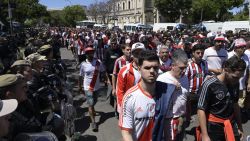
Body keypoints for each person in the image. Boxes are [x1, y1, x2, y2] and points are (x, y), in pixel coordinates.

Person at [197, 56, 245, 141]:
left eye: (239, 78)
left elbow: (235, 104)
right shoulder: (209, 84)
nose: (237, 80)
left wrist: (240, 127)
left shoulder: (235, 83)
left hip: (230, 124)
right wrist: (204, 135)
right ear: (226, 70)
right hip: (213, 127)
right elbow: (201, 109)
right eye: (235, 77)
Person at [119, 50, 159, 141]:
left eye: (155, 68)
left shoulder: (165, 91)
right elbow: (126, 133)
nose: (152, 71)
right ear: (139, 68)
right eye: (147, 68)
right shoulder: (130, 97)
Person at [153, 49, 189, 141]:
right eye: (181, 68)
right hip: (168, 120)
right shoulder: (162, 79)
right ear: (173, 66)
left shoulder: (185, 78)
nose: (184, 70)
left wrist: (187, 115)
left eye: (185, 67)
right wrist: (171, 89)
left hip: (182, 118)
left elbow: (185, 98)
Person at [78, 47, 105, 131]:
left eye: (92, 52)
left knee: (94, 101)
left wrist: (106, 79)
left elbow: (103, 71)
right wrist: (80, 86)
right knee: (90, 104)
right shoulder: (83, 64)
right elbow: (80, 76)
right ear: (86, 54)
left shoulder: (98, 62)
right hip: (88, 88)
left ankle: (93, 110)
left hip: (97, 87)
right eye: (89, 52)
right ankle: (93, 122)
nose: (91, 54)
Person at [116, 42, 145, 114]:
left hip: (145, 106)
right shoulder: (124, 70)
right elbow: (120, 92)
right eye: (136, 53)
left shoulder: (150, 69)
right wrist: (123, 109)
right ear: (132, 54)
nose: (139, 55)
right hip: (129, 107)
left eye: (141, 53)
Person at [185, 44, 208, 115]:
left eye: (202, 53)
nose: (200, 55)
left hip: (201, 93)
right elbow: (184, 78)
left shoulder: (204, 63)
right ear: (193, 53)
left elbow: (206, 74)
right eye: (198, 53)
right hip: (190, 94)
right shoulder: (188, 64)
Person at [228, 38, 250, 109]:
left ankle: (239, 117)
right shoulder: (229, 56)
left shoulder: (246, 56)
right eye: (241, 47)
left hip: (242, 86)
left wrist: (249, 83)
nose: (244, 48)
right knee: (230, 103)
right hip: (230, 86)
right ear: (236, 47)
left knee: (240, 104)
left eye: (244, 46)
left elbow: (248, 70)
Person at [112, 44, 132, 117]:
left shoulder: (133, 60)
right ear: (123, 50)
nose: (129, 51)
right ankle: (118, 112)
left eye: (130, 50)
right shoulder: (118, 61)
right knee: (120, 100)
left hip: (131, 86)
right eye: (127, 50)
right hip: (121, 86)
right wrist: (114, 88)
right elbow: (114, 75)